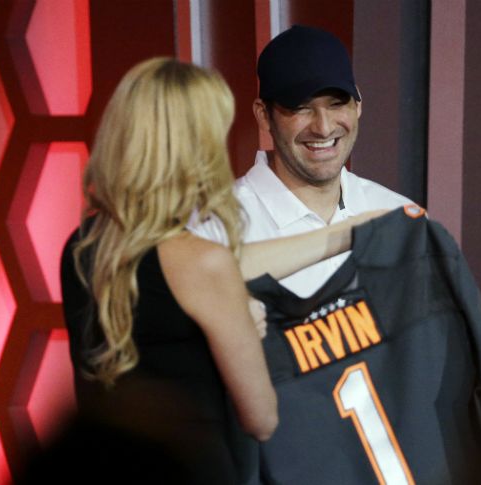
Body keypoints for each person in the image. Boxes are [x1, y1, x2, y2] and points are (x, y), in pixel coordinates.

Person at [52, 57, 386, 484]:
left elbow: (225, 264)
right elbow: (262, 417)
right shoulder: (201, 263)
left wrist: (352, 232)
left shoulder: (83, 247)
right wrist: (245, 325)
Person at [189, 25, 413, 297]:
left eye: (336, 104)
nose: (323, 128)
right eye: (301, 108)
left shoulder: (398, 215)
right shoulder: (212, 228)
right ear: (264, 115)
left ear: (358, 105)